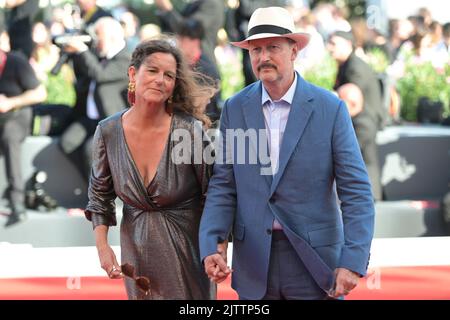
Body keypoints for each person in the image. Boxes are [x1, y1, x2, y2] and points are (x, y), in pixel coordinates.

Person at [199, 7, 375, 300]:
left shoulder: (330, 108)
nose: (263, 57)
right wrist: (213, 242)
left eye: (273, 47)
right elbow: (224, 184)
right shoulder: (235, 108)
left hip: (317, 265)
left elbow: (355, 190)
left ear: (294, 51)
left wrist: (353, 260)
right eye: (256, 49)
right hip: (254, 263)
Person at [84, 38, 217, 300]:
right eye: (153, 70)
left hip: (187, 248)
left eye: (168, 75)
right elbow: (99, 197)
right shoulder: (108, 131)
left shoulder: (188, 130)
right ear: (133, 73)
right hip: (136, 248)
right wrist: (103, 248)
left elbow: (213, 194)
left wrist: (217, 247)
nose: (160, 80)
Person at [58, 17, 130, 181]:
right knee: (67, 142)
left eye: (98, 37)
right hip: (91, 120)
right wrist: (75, 53)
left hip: (113, 123)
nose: (95, 42)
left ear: (111, 36)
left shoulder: (126, 58)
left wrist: (83, 50)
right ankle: (94, 189)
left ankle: (102, 199)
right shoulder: (100, 56)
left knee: (91, 150)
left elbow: (100, 74)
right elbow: (86, 74)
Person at [328, 30, 384, 201]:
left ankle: (368, 201)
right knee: (367, 162)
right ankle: (372, 200)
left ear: (348, 44)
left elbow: (351, 96)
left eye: (334, 44)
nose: (329, 48)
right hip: (363, 120)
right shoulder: (348, 64)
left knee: (357, 161)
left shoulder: (355, 67)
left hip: (363, 122)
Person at [0, 39, 47, 227]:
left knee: (10, 136)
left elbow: (40, 93)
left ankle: (16, 201)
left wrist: (10, 102)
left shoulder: (16, 62)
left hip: (18, 116)